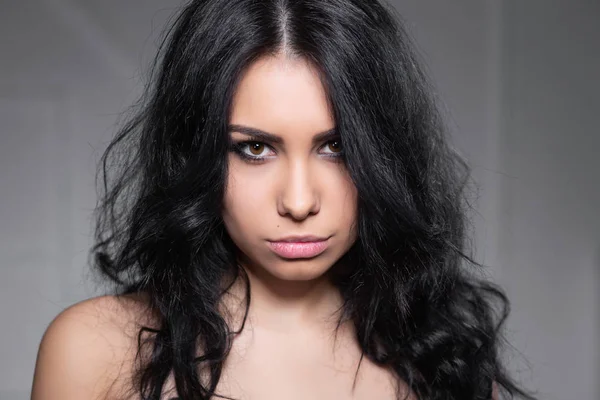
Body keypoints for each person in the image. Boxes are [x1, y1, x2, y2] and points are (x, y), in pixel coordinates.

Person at [31, 0, 537, 399]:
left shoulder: (443, 358)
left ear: (384, 155)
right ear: (197, 154)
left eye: (335, 147)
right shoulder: (93, 351)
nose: (298, 202)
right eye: (255, 149)